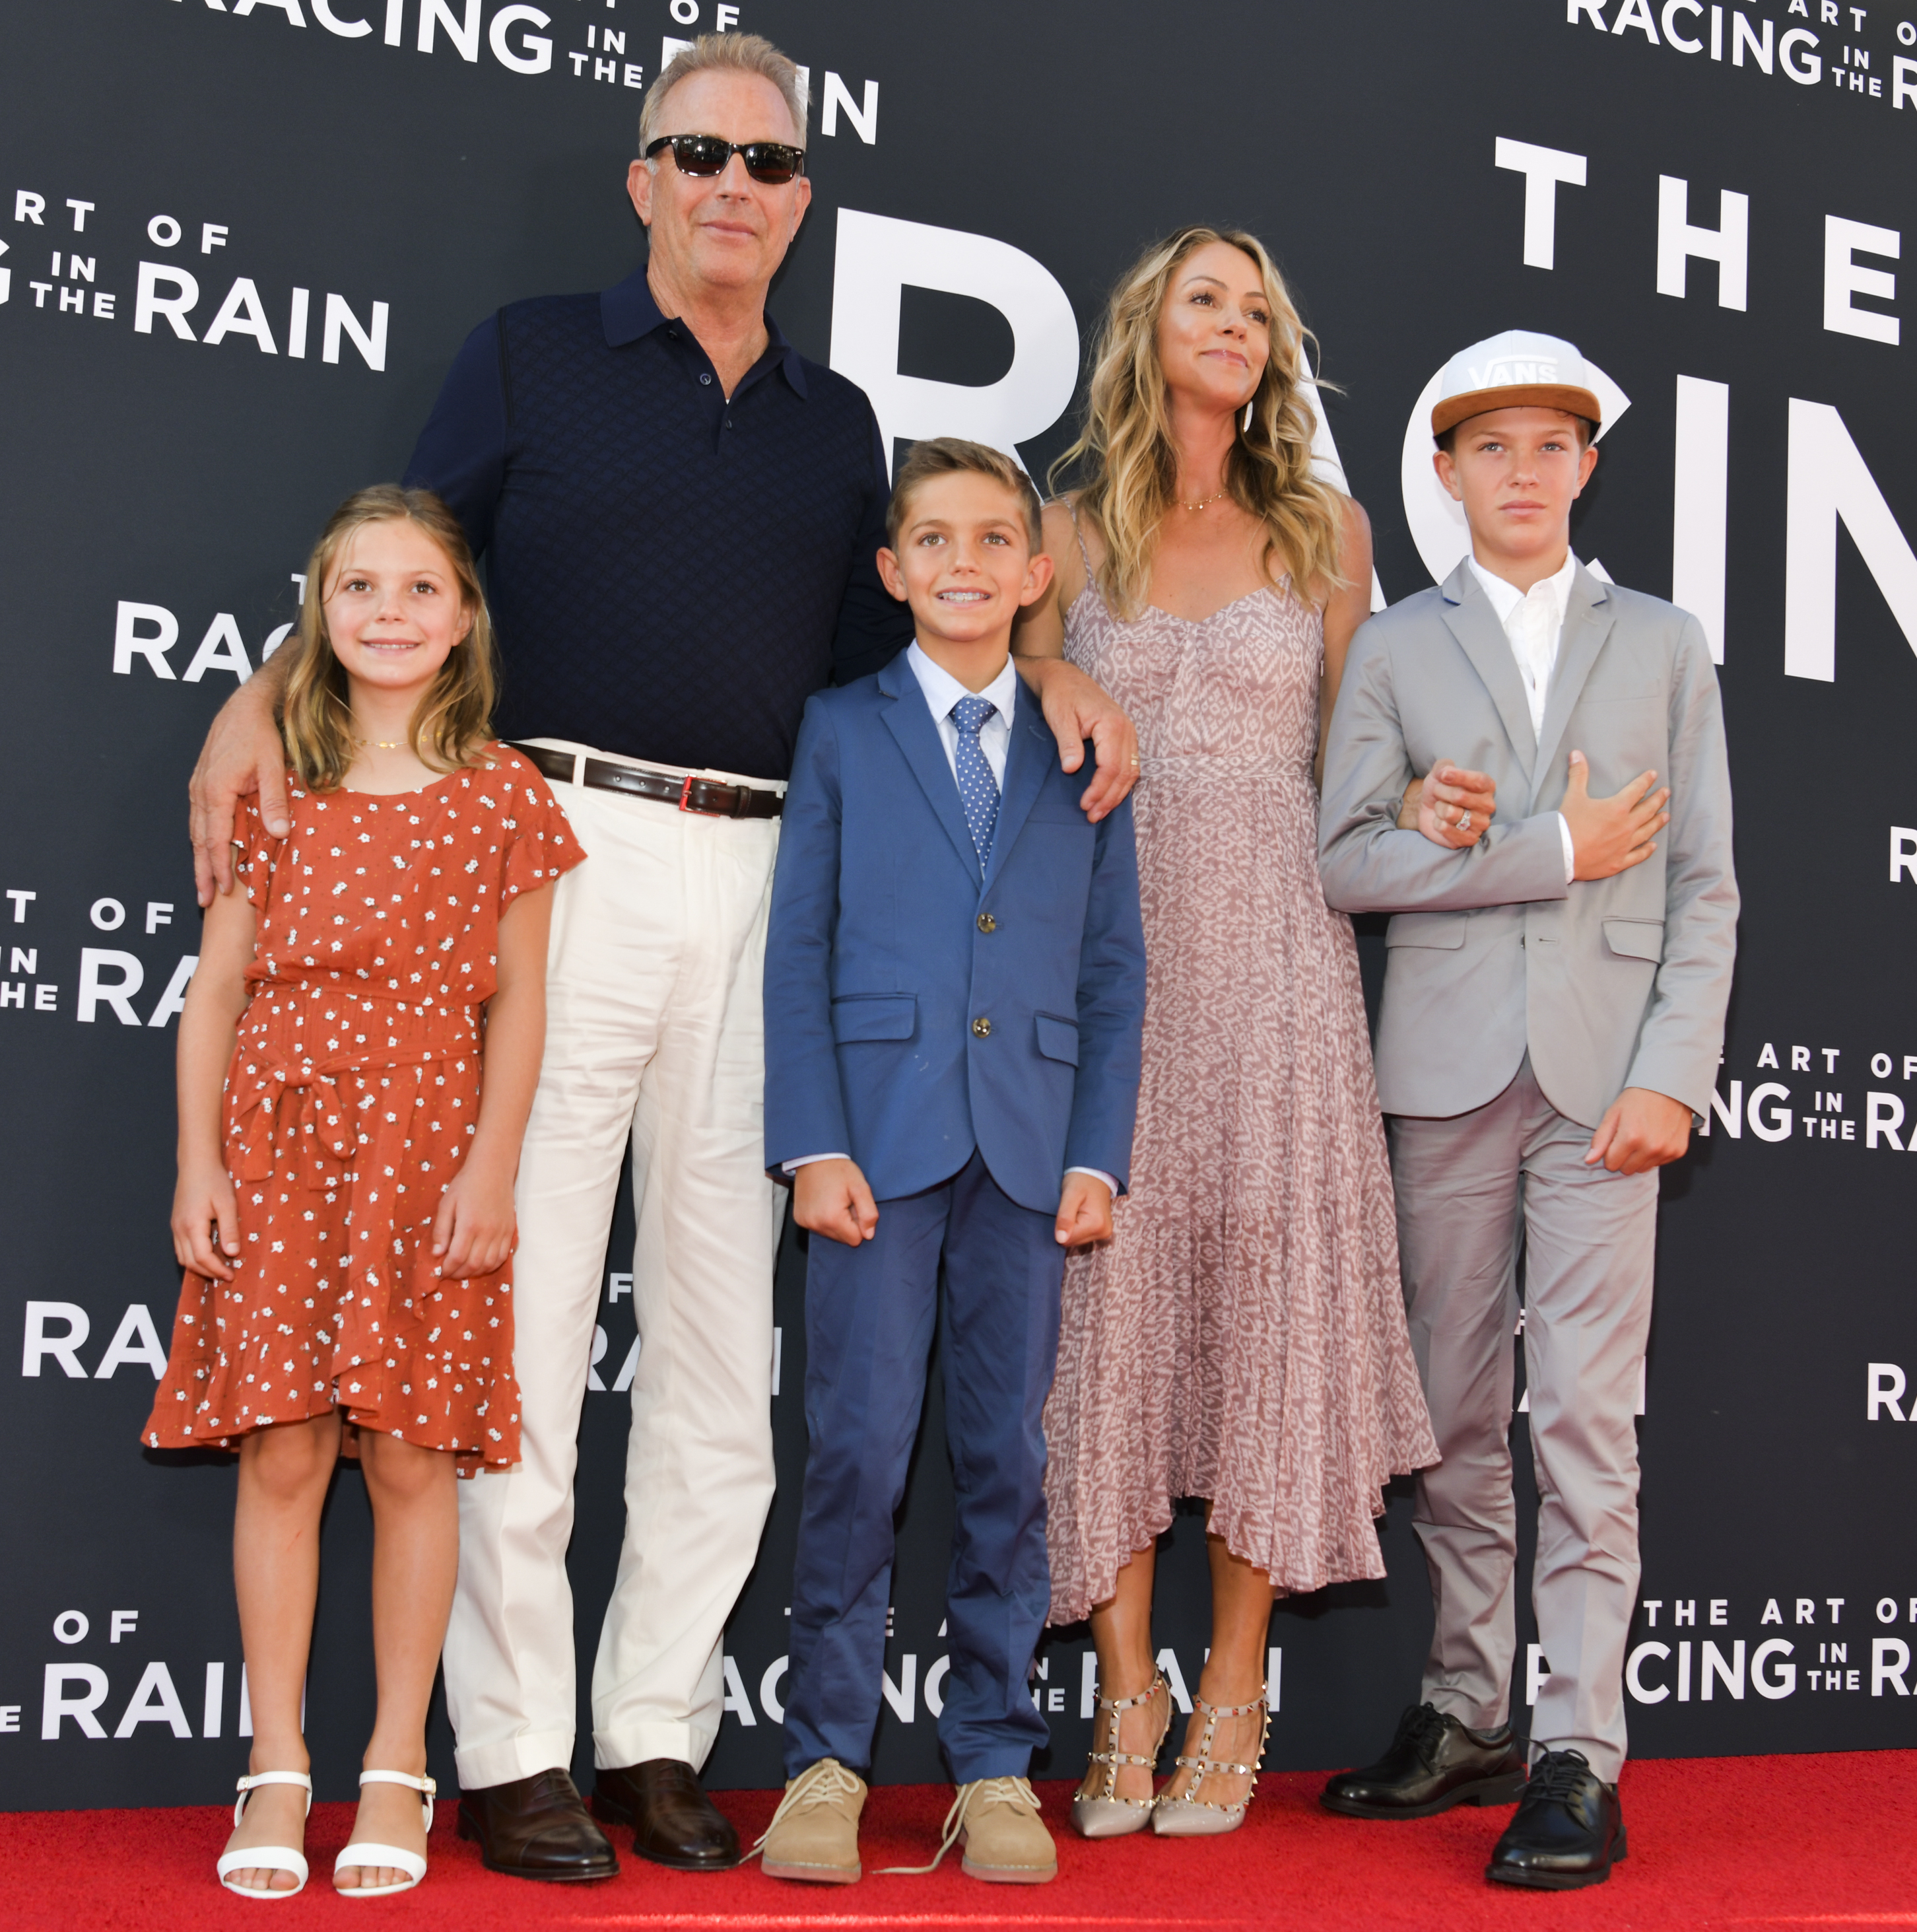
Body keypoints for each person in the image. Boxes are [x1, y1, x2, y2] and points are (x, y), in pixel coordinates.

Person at [182, 34, 1135, 1882]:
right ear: (641, 178)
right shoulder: (534, 352)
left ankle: (656, 1730)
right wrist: (251, 700)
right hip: (557, 852)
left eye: (768, 164)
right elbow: (394, 565)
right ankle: (519, 1745)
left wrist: (1063, 661)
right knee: (522, 1318)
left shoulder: (837, 423)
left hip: (774, 873)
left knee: (719, 1342)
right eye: (696, 152)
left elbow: (938, 616)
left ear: (800, 199)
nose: (732, 186)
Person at [1013, 228, 1438, 1840]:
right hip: (1109, 971)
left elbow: (1366, 758)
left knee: (1265, 1315)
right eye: (1209, 299)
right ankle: (1125, 1689)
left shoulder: (1327, 528)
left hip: (1278, 965)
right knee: (1103, 1324)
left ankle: (1238, 1685)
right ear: (1148, 327)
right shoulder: (1066, 530)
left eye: (1259, 310)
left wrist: (1436, 801)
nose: (1238, 327)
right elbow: (1013, 712)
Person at [1316, 331, 1737, 1890]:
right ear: (1444, 471)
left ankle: (1577, 1748)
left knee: (1583, 1416)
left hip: (1605, 1081)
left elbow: (1707, 885)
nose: (1522, 472)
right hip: (1439, 1068)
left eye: (1551, 445)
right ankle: (1463, 1705)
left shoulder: (1668, 643)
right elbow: (1347, 858)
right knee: (1452, 1413)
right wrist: (1549, 847)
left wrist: (1668, 1073)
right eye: (1490, 447)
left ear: (1589, 464)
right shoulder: (1396, 647)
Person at [147, 486, 580, 1899]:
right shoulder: (272, 777)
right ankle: (276, 1766)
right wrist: (199, 1162)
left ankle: (397, 1764)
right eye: (360, 590)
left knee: (410, 1459)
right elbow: (214, 991)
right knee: (280, 1454)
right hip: (277, 1149)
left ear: (463, 622)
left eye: (420, 590)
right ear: (318, 616)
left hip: (427, 1152)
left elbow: (517, 1009)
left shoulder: (509, 793)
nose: (390, 613)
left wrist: (493, 1168)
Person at [756, 439, 1145, 1886]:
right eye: (936, 539)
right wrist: (812, 1139)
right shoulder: (843, 729)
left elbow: (1115, 972)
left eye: (996, 539)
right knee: (855, 1452)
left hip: (1032, 1154)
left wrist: (1098, 1149)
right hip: (876, 1145)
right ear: (893, 569)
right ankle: (823, 1758)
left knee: (1007, 1461)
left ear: (1037, 575)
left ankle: (994, 1760)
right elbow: (798, 947)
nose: (966, 562)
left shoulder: (1083, 744)